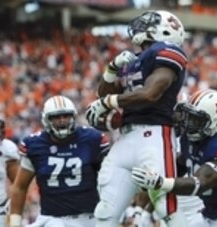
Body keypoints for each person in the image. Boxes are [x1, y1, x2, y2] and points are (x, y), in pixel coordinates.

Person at [85, 10, 188, 227]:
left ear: (166, 29)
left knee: (164, 206)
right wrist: (112, 69)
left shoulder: (167, 50)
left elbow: (150, 94)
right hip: (126, 137)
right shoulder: (136, 59)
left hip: (155, 135)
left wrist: (110, 102)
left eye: (150, 24)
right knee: (106, 210)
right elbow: (103, 94)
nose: (142, 27)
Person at [132, 89, 217, 227]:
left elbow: (201, 182)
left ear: (215, 122)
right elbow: (177, 167)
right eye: (188, 116)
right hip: (209, 215)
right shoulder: (190, 140)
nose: (188, 123)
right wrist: (155, 175)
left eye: (195, 119)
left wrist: (160, 182)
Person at [9, 95, 110, 227]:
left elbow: (110, 179)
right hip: (52, 219)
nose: (62, 121)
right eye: (56, 117)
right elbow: (20, 187)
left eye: (66, 116)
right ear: (46, 119)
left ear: (73, 117)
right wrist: (14, 224)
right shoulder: (34, 145)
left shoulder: (91, 140)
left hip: (89, 217)